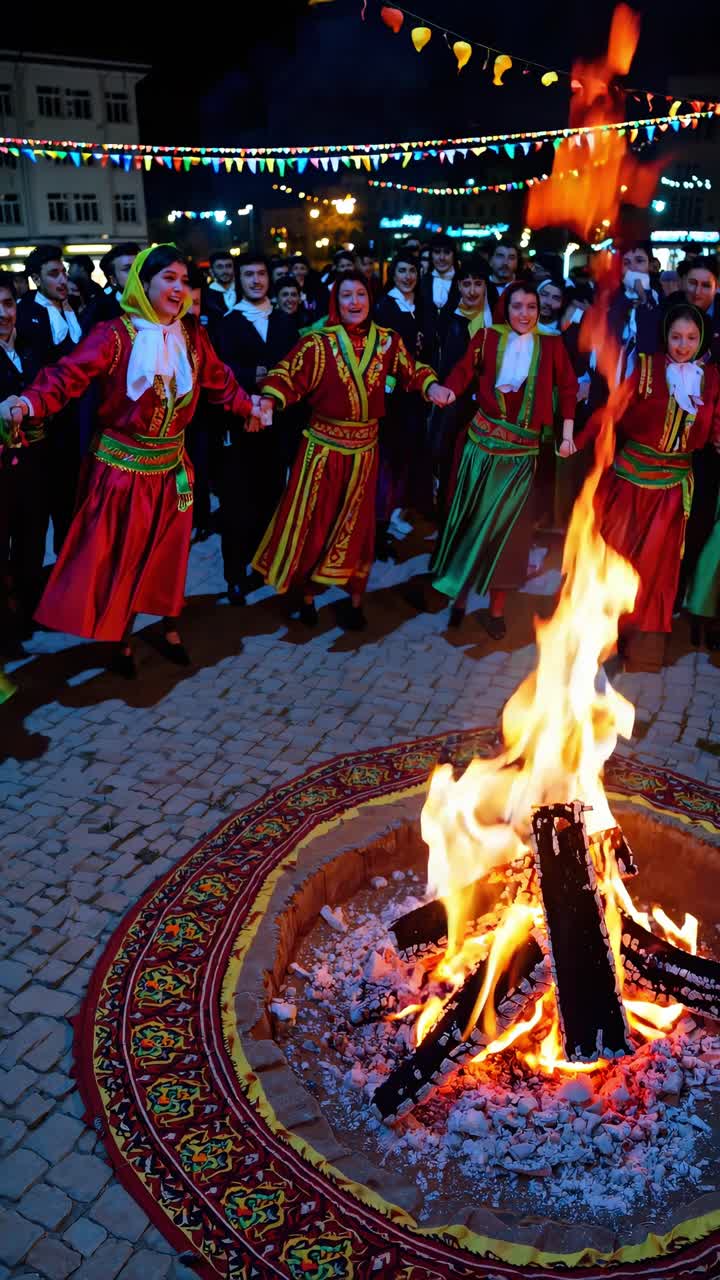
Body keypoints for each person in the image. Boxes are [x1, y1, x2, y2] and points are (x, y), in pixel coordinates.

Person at [0, 245, 262, 677]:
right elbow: (66, 375)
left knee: (170, 556)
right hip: (122, 473)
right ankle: (120, 634)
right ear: (144, 283)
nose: (179, 288)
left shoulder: (193, 336)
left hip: (174, 469)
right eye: (169, 279)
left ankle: (170, 625)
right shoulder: (115, 335)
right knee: (122, 558)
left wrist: (249, 406)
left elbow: (219, 380)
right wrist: (28, 403)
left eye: (183, 280)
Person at [253, 271, 454, 629]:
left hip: (364, 452)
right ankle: (308, 595)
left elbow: (412, 370)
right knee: (314, 523)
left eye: (361, 294)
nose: (355, 303)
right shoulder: (316, 343)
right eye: (347, 296)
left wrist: (432, 386)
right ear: (336, 301)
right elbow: (286, 376)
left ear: (370, 299)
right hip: (322, 451)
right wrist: (270, 399)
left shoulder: (388, 341)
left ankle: (356, 598)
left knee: (359, 529)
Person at [430, 281, 577, 636]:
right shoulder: (487, 337)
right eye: (517, 306)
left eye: (530, 307)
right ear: (505, 308)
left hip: (521, 457)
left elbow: (569, 388)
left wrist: (568, 435)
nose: (524, 314)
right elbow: (464, 370)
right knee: (470, 523)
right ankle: (460, 600)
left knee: (509, 536)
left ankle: (496, 611)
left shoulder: (552, 344)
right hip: (481, 449)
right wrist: (448, 388)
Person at [597, 304, 720, 669]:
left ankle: (645, 644)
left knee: (658, 569)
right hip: (632, 483)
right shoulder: (647, 368)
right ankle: (605, 638)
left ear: (702, 341)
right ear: (665, 336)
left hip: (673, 489)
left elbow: (714, 422)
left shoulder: (711, 377)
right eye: (677, 337)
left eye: (691, 338)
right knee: (619, 560)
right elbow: (614, 414)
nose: (683, 345)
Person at [216, 252, 299, 604]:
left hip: (279, 427)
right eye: (248, 274)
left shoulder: (284, 321)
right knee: (238, 503)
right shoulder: (228, 322)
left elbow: (298, 368)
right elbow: (220, 372)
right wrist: (254, 376)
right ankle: (235, 575)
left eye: (261, 274)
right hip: (242, 426)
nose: (255, 280)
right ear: (239, 279)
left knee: (271, 499)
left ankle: (263, 565)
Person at [17, 245, 83, 555]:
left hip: (79, 422)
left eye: (64, 272)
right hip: (46, 426)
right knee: (48, 504)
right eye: (53, 274)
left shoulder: (75, 306)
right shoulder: (24, 313)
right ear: (36, 279)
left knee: (74, 501)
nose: (62, 280)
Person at [0, 276, 45, 658]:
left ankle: (30, 612)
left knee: (31, 544)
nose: (3, 313)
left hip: (34, 466)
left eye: (8, 304)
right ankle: (5, 630)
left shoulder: (31, 348)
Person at [374, 252, 431, 551]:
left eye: (413, 271)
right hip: (393, 396)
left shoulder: (420, 305)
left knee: (406, 457)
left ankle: (395, 512)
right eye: (402, 270)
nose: (408, 276)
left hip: (415, 394)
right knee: (388, 461)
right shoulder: (385, 307)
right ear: (392, 273)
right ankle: (380, 524)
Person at [430, 256, 491, 527]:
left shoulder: (495, 318)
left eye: (478, 284)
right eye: (466, 284)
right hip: (454, 400)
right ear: (459, 286)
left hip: (486, 402)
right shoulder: (448, 319)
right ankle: (447, 516)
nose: (472, 291)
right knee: (447, 458)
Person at [81, 242, 140, 333]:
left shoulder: (158, 301)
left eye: (139, 267)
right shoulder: (100, 311)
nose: (136, 273)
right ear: (113, 280)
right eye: (128, 269)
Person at [420, 234, 458, 367]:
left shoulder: (463, 282)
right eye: (437, 252)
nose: (441, 257)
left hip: (456, 357)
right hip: (426, 358)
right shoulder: (422, 282)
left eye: (446, 252)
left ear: (454, 255)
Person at [204, 250, 237, 326]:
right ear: (211, 271)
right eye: (219, 267)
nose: (225, 271)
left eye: (228, 266)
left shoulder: (243, 291)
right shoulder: (204, 296)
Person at [486, 240, 520, 311]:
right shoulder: (479, 287)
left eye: (511, 258)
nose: (505, 262)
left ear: (517, 263)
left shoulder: (525, 288)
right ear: (490, 261)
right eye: (500, 256)